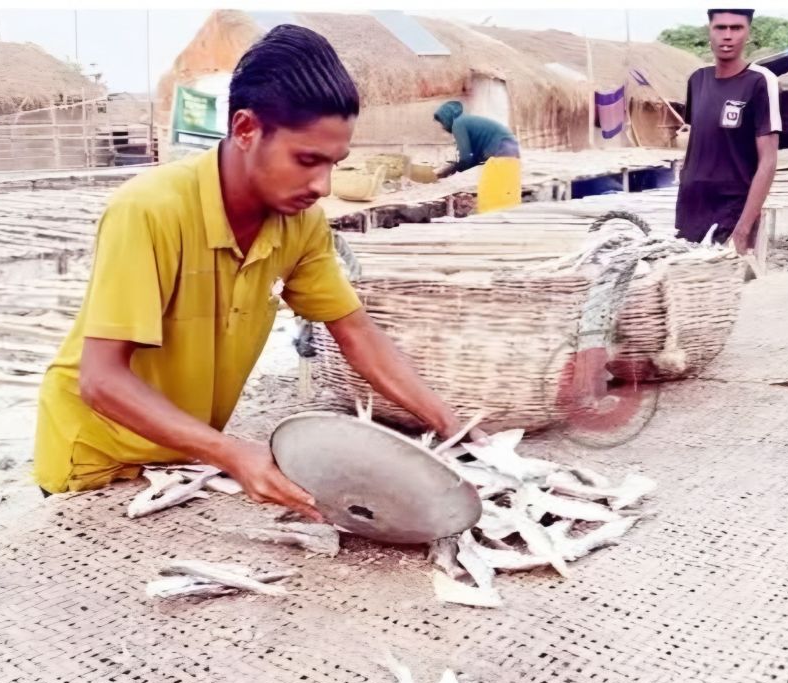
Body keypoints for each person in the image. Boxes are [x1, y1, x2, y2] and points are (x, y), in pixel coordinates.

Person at [34, 25, 474, 519]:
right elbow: (101, 380)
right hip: (98, 462)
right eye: (306, 160)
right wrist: (232, 453)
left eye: (334, 163)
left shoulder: (301, 224)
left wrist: (453, 427)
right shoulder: (149, 210)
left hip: (184, 457)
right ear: (245, 129)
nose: (323, 185)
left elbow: (356, 333)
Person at [675, 8, 780, 254]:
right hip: (691, 206)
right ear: (709, 32)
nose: (728, 35)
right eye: (721, 27)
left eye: (737, 28)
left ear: (748, 33)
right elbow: (699, 140)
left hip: (733, 207)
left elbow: (768, 160)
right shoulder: (697, 80)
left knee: (729, 276)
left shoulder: (759, 81)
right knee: (688, 276)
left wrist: (744, 227)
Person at [433, 101, 522, 214]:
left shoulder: (458, 124)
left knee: (488, 199)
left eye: (442, 122)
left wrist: (449, 169)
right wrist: (455, 168)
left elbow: (466, 158)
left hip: (500, 155)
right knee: (507, 198)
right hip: (513, 156)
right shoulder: (469, 122)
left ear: (447, 117)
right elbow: (473, 159)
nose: (442, 127)